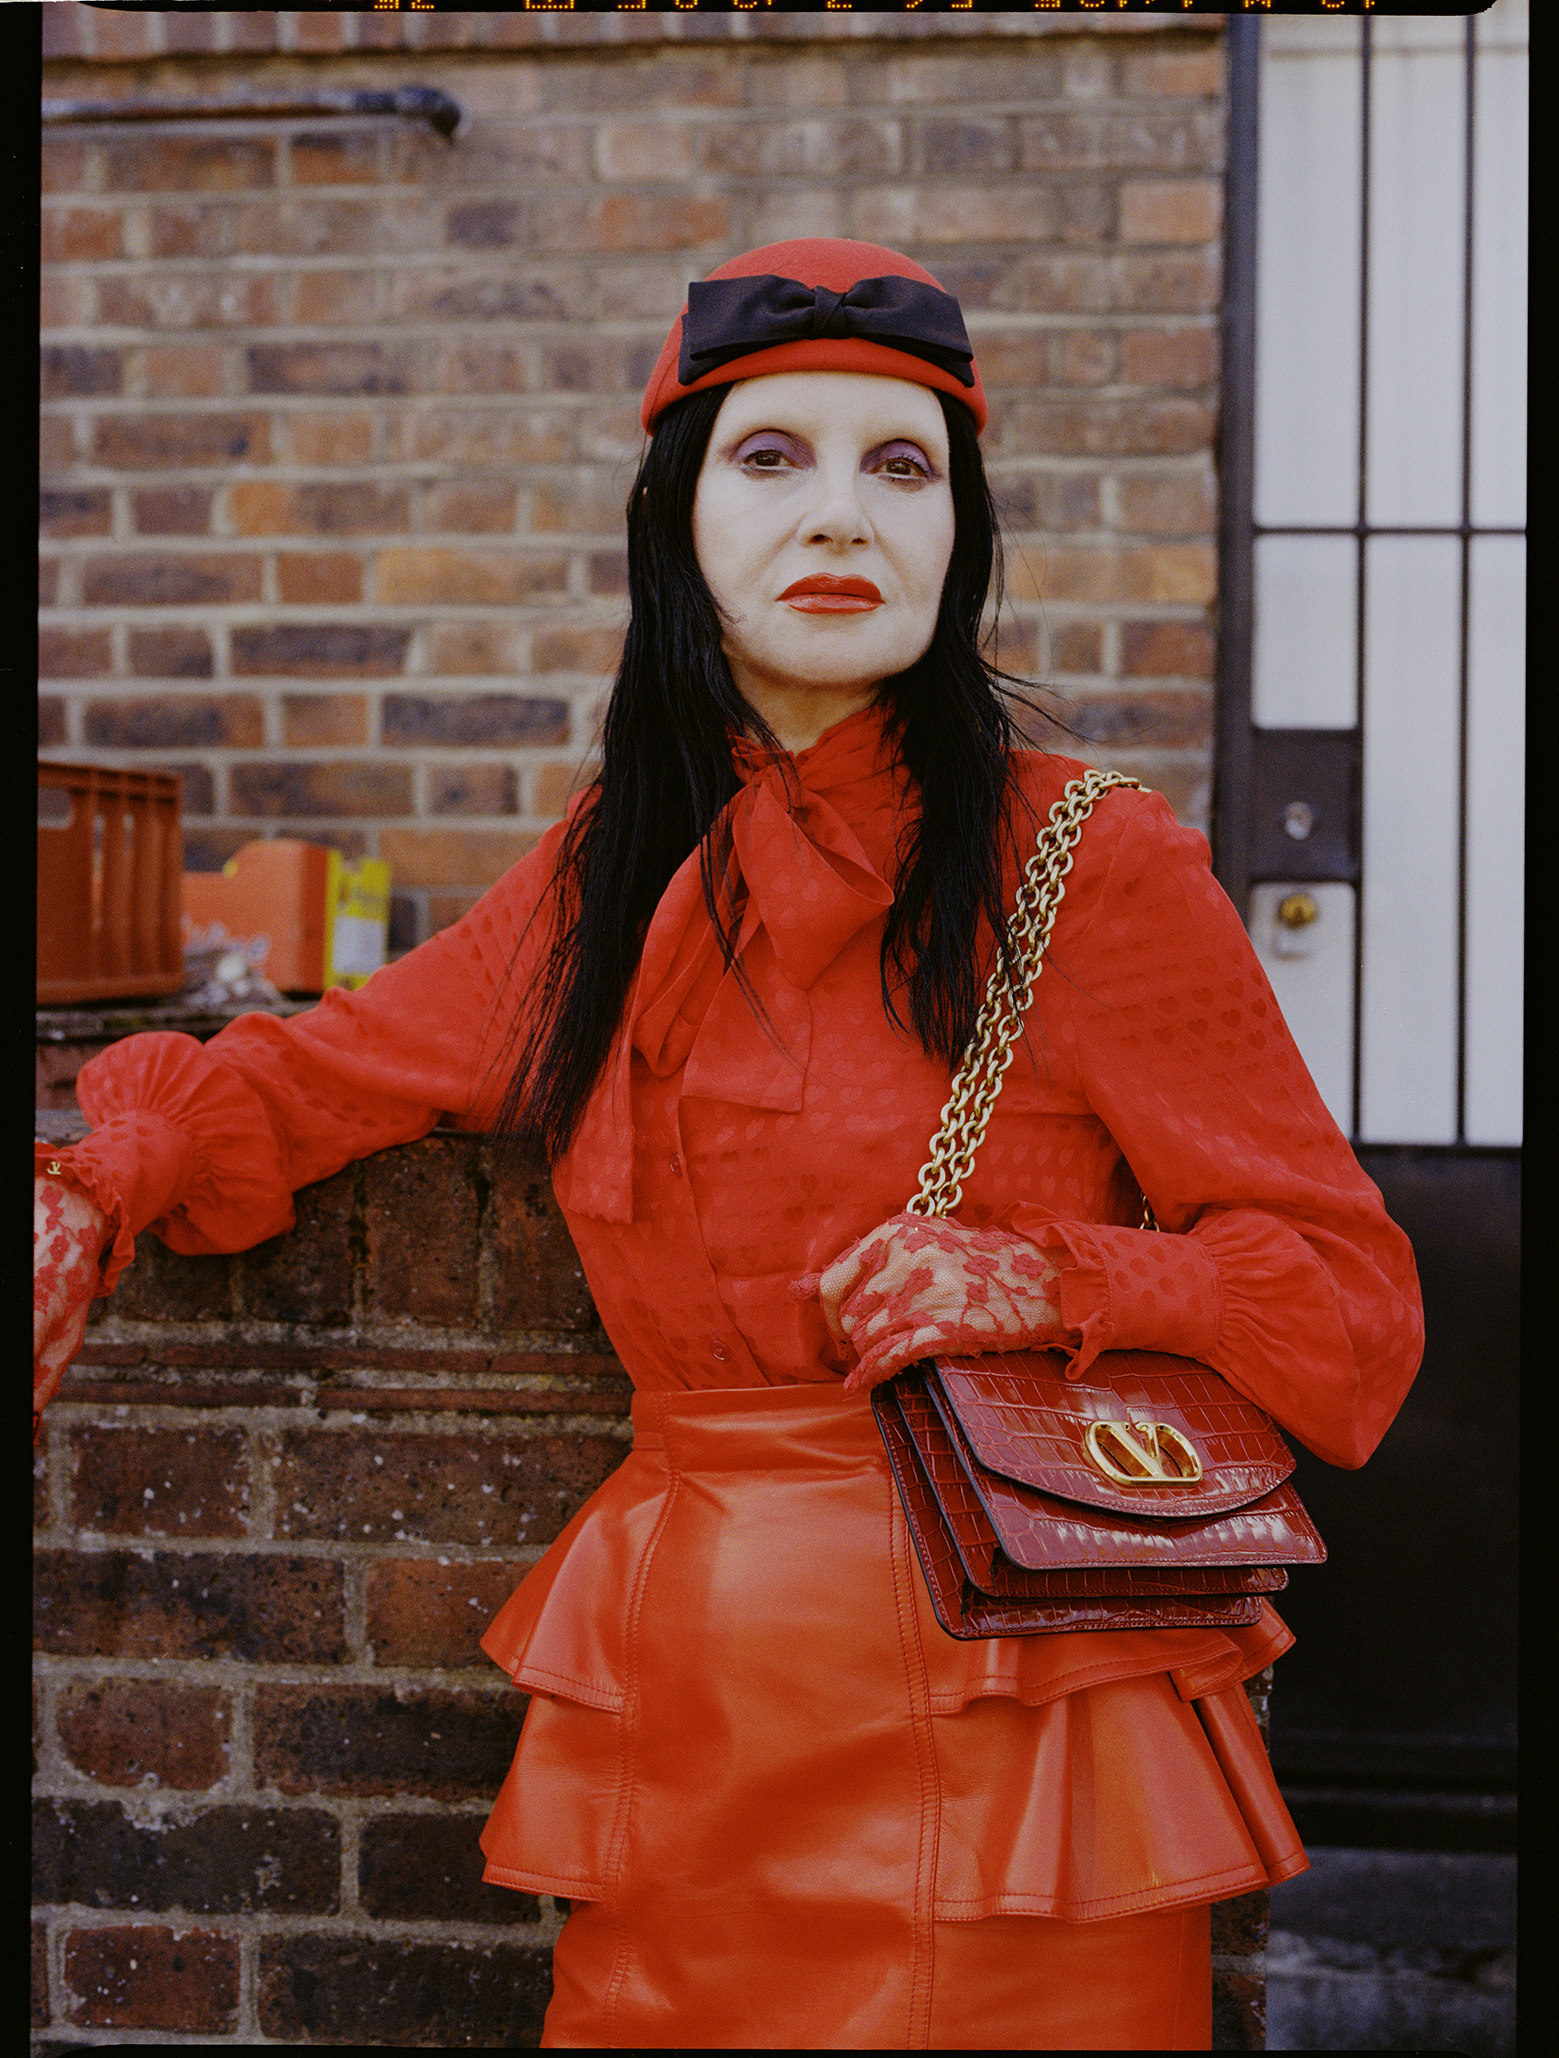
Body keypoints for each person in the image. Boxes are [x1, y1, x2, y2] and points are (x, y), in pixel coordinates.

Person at [33, 239, 1424, 2051]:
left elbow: (1350, 1302)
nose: (840, 513)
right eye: (772, 457)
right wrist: (93, 1181)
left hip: (1003, 1720)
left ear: (961, 531)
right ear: (675, 519)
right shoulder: (622, 865)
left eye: (900, 465)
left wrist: (1051, 1270)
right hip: (690, 1703)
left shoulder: (1093, 862)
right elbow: (322, 1073)